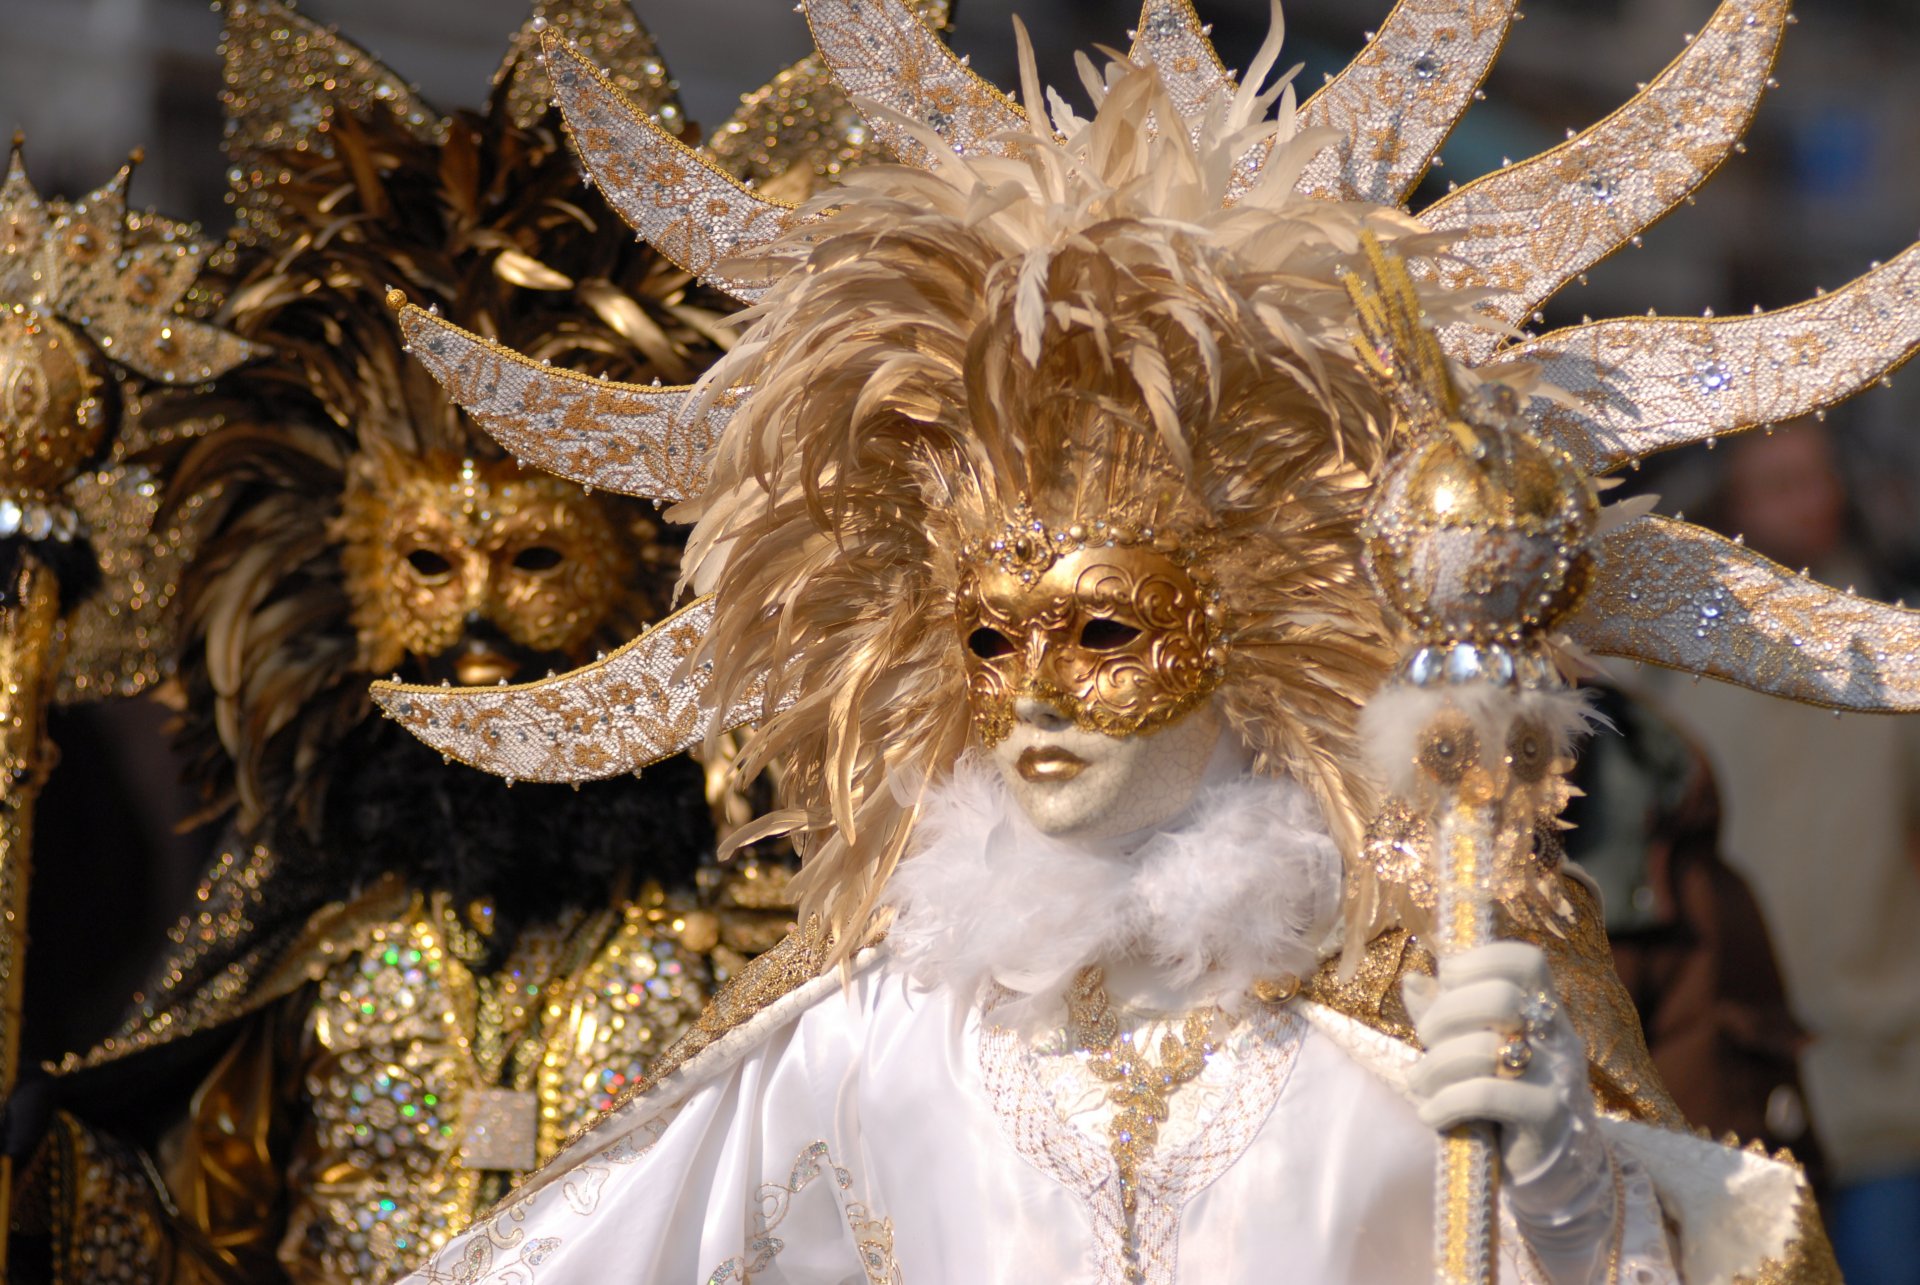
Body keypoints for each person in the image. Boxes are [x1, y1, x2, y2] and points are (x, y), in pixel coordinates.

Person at [381, 0, 1879, 1275]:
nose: (1032, 694)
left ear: (1241, 628)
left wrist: (1564, 1177)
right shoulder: (883, 1031)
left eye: (1103, 628)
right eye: (987, 641)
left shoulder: (1404, 1003)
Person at [1, 0, 895, 1276]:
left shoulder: (766, 950)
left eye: (535, 557)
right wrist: (64, 1185)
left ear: (645, 580)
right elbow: (201, 1230)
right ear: (351, 567)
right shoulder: (315, 948)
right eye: (427, 560)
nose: (475, 610)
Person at [1656, 421, 1920, 1284]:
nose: (1803, 501)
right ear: (1735, 503)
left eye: (1812, 478)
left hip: (1886, 1074)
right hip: (1733, 1081)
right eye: (1775, 483)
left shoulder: (1898, 652)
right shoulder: (1679, 669)